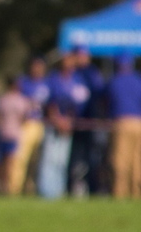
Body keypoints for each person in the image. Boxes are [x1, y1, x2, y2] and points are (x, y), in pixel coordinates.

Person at [37, 51, 89, 199]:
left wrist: (69, 122)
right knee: (50, 159)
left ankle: (58, 190)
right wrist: (57, 120)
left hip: (68, 124)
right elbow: (50, 102)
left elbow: (77, 103)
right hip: (53, 124)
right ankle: (47, 192)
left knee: (62, 160)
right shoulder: (53, 79)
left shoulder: (76, 80)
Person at [70, 45, 106, 195]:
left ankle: (93, 187)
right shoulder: (72, 72)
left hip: (90, 122)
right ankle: (74, 187)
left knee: (93, 156)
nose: (80, 58)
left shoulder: (93, 73)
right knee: (75, 157)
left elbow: (100, 96)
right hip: (73, 123)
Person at [13, 56, 50, 195]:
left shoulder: (46, 84)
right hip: (26, 124)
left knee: (37, 160)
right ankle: (15, 189)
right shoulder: (23, 83)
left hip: (41, 123)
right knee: (20, 158)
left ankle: (30, 189)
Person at [106, 53, 141, 199]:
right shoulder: (138, 81)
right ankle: (136, 194)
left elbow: (105, 102)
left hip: (121, 124)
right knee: (137, 162)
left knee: (120, 161)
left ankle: (120, 193)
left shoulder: (114, 81)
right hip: (138, 124)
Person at [0, 76, 33, 194]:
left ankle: (2, 185)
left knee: (2, 162)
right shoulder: (21, 100)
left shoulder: (2, 100)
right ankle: (8, 187)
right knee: (11, 162)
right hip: (14, 134)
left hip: (2, 133)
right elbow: (26, 117)